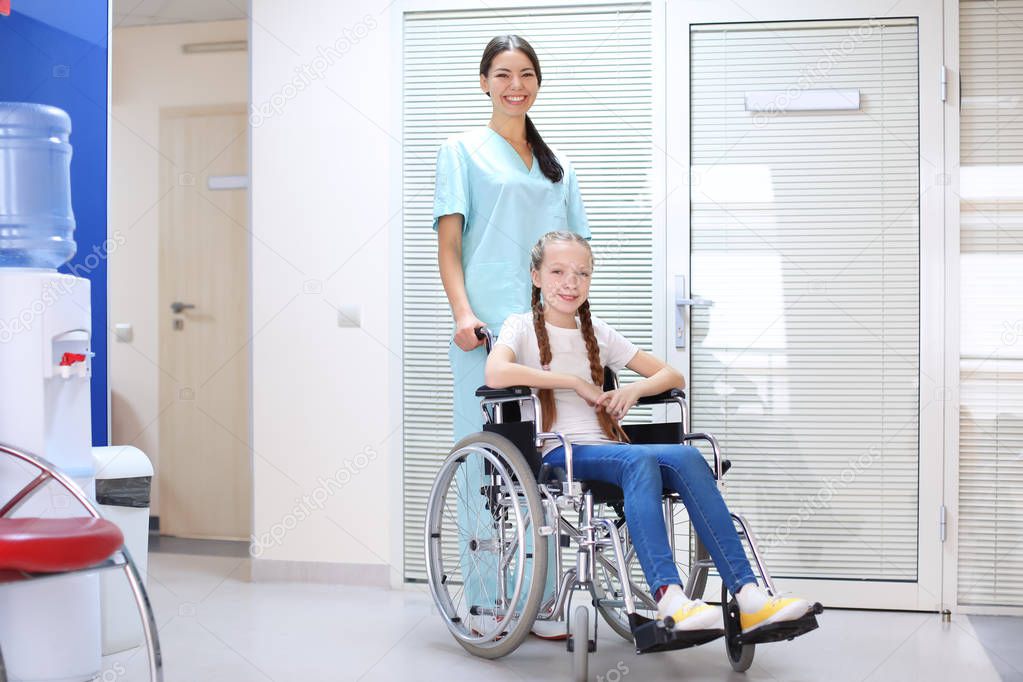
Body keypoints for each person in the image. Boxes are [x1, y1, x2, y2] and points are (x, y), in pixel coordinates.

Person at [484, 231, 815, 636]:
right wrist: (571, 381)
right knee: (639, 458)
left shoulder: (599, 333)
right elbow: (495, 373)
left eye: (582, 273)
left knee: (690, 456)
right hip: (559, 451)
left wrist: (633, 390)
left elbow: (671, 376)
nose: (571, 282)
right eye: (558, 271)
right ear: (536, 276)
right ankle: (670, 599)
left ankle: (749, 596)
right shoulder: (519, 326)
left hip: (610, 450)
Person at [433, 35, 589, 639]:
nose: (514, 85)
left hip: (547, 334)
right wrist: (462, 313)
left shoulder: (559, 166)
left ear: (537, 83)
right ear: (484, 82)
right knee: (487, 463)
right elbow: (450, 247)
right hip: (487, 334)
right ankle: (484, 598)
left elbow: (576, 258)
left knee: (545, 461)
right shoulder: (461, 151)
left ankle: (544, 600)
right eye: (502, 74)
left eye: (526, 74)